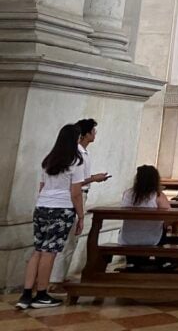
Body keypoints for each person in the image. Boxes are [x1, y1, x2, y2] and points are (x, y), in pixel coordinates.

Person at [16, 124, 86, 310]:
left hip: (42, 207)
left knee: (38, 250)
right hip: (61, 208)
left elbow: (41, 187)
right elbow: (76, 193)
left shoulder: (48, 160)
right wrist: (81, 215)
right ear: (76, 140)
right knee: (50, 252)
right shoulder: (75, 161)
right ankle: (41, 294)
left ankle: (25, 294)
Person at [51, 118, 110, 286]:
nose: (95, 134)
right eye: (93, 131)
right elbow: (76, 183)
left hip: (75, 195)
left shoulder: (82, 152)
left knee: (71, 239)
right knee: (69, 239)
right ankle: (55, 280)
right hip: (75, 196)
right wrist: (94, 179)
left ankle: (59, 276)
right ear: (85, 134)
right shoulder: (76, 154)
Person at [119, 165, 172, 270]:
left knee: (132, 229)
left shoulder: (128, 194)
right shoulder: (157, 196)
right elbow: (169, 216)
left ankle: (131, 261)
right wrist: (165, 225)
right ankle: (162, 260)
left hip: (129, 237)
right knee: (162, 229)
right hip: (152, 237)